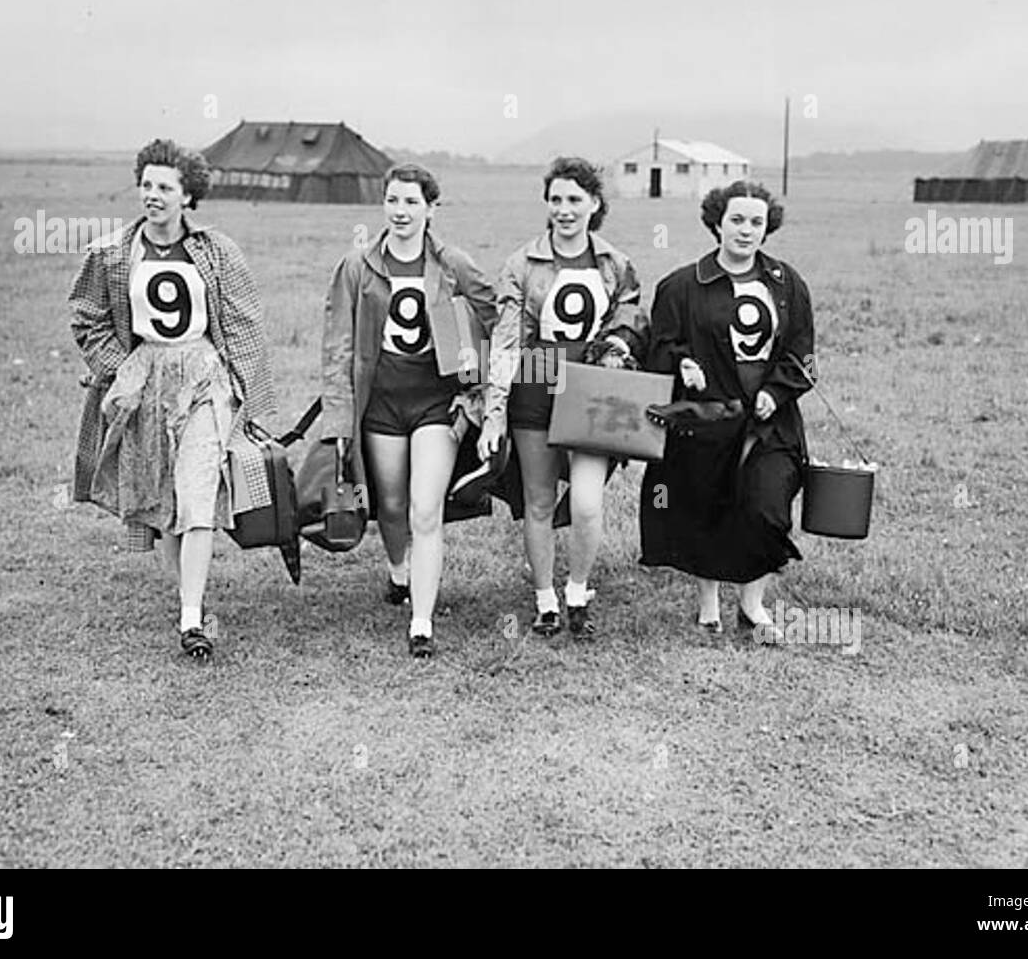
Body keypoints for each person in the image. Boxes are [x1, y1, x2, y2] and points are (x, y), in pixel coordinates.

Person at [70, 138, 277, 662]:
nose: (153, 196)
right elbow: (87, 318)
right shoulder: (112, 253)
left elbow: (245, 325)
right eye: (147, 185)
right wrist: (120, 371)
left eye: (165, 187)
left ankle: (191, 621)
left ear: (189, 196)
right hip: (145, 380)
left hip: (203, 377)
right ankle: (190, 598)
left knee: (199, 490)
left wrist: (243, 395)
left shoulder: (217, 251)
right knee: (162, 498)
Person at [321, 164, 497, 658]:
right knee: (391, 505)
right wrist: (338, 417)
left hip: (436, 403)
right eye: (393, 201)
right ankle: (399, 572)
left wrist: (477, 388)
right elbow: (337, 345)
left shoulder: (453, 264)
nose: (401, 211)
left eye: (411, 202)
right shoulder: (358, 266)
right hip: (380, 403)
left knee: (425, 509)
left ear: (431, 209)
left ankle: (421, 622)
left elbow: (497, 323)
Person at [477, 157, 648, 638]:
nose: (564, 209)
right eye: (556, 199)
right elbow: (507, 342)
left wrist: (616, 348)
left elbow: (631, 323)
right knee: (539, 500)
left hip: (591, 391)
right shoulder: (520, 263)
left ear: (595, 204)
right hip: (536, 383)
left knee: (588, 503)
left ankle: (577, 589)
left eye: (575, 199)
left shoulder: (616, 264)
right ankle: (545, 600)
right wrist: (495, 414)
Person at [640, 181, 813, 643]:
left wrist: (776, 393)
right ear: (716, 222)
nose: (746, 230)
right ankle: (709, 605)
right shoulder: (681, 286)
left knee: (767, 508)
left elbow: (803, 355)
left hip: (770, 427)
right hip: (707, 423)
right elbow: (658, 348)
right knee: (706, 507)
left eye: (756, 222)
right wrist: (683, 363)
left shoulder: (787, 284)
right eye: (737, 219)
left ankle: (753, 605)